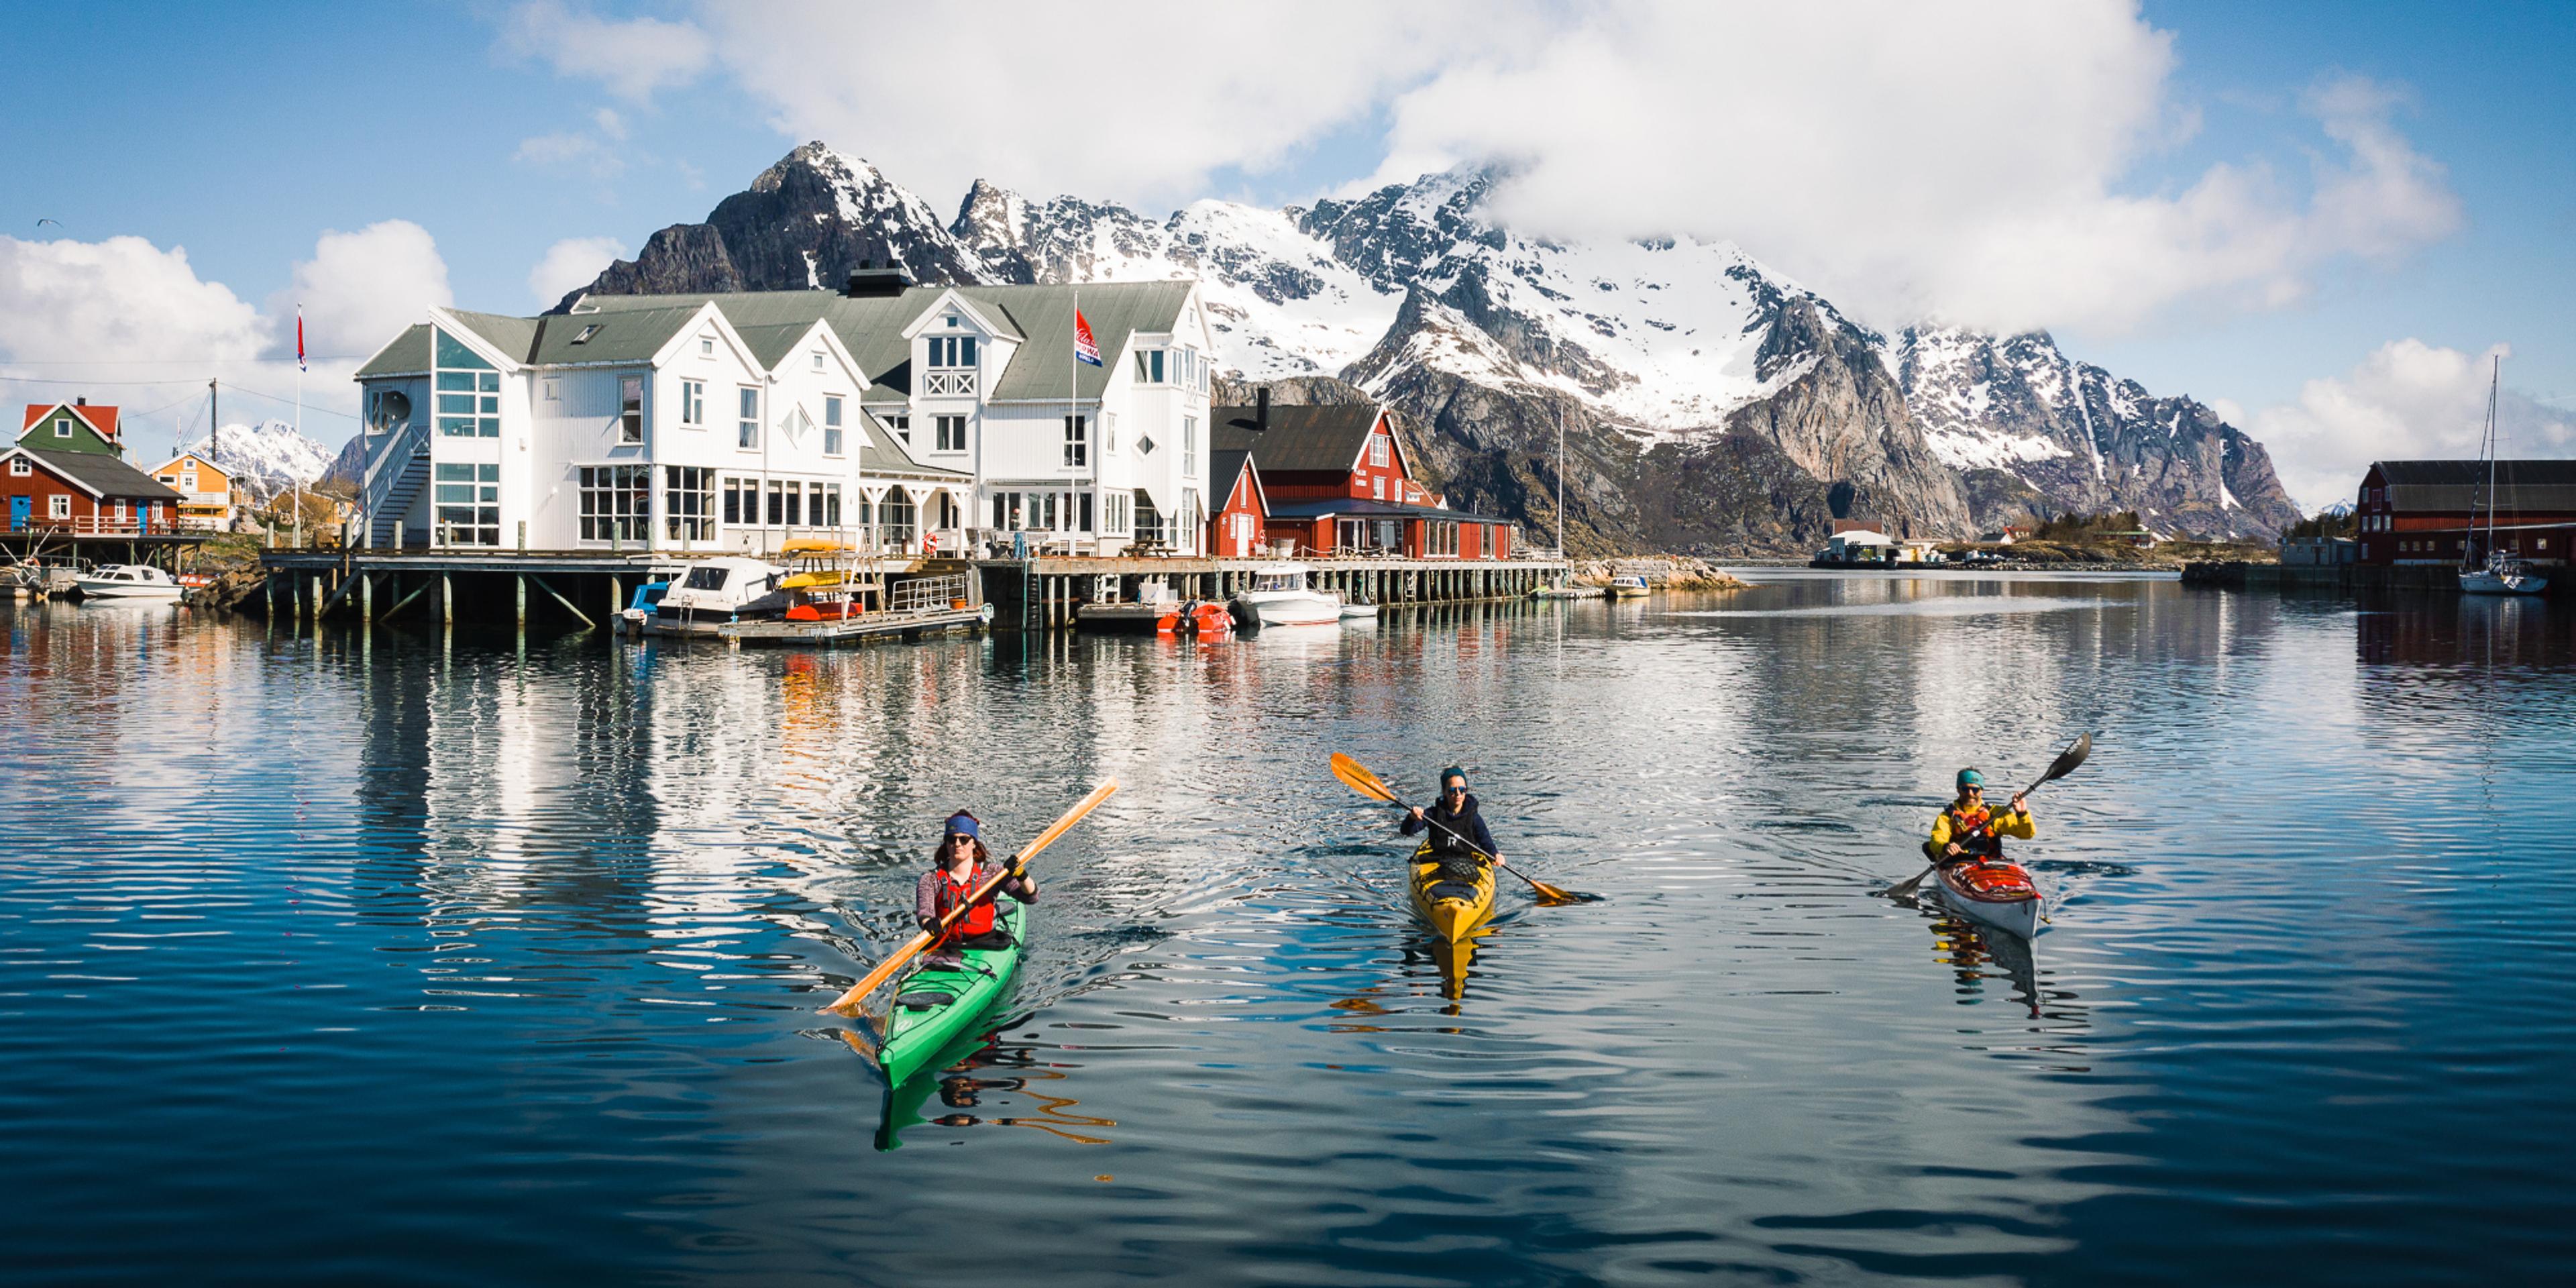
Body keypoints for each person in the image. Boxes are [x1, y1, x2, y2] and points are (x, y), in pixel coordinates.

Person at [914, 812, 1038, 967]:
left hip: (986, 943)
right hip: (946, 946)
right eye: (952, 839)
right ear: (946, 843)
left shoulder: (992, 873)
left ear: (974, 843)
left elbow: (1031, 898)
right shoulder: (930, 879)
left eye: (964, 839)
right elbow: (924, 912)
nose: (957, 844)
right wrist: (928, 923)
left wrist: (1021, 874)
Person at [1401, 766, 1503, 879]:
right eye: (1452, 790)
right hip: (1437, 861)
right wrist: (1412, 818)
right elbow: (1406, 831)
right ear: (1444, 792)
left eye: (1462, 789)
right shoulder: (1433, 814)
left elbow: (1485, 841)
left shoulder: (1474, 817)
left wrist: (1495, 854)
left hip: (1467, 862)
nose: (1458, 794)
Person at [1926, 768, 2033, 866]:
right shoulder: (1947, 816)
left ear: (1982, 791)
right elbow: (1937, 839)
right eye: (1965, 789)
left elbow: (2026, 834)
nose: (1970, 793)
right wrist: (1946, 846)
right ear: (1958, 789)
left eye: (1975, 789)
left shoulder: (1995, 813)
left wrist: (2022, 814)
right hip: (1958, 862)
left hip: (1991, 862)